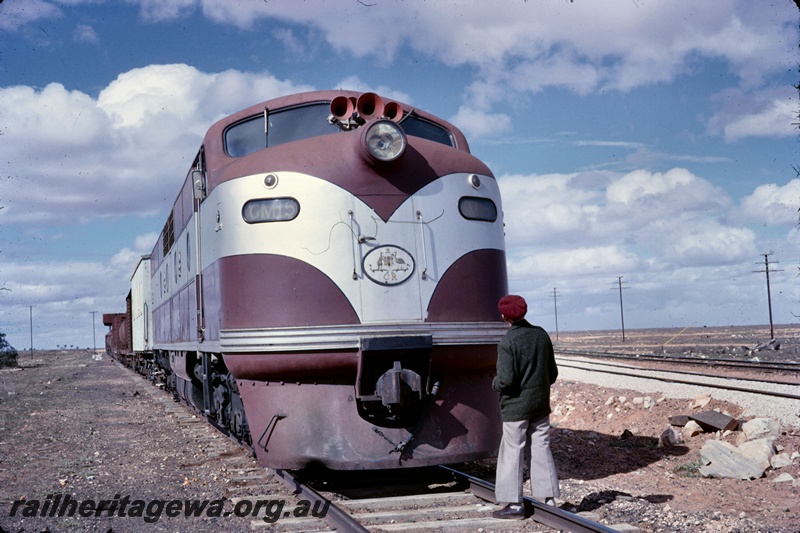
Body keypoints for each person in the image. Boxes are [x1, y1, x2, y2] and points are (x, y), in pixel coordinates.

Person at [491, 294, 560, 520]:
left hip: (515, 409)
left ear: (504, 317)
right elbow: (553, 374)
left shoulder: (508, 342)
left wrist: (494, 382)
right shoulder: (541, 335)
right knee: (541, 447)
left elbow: (506, 380)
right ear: (525, 311)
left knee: (512, 451)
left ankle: (513, 504)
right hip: (540, 405)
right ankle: (549, 500)